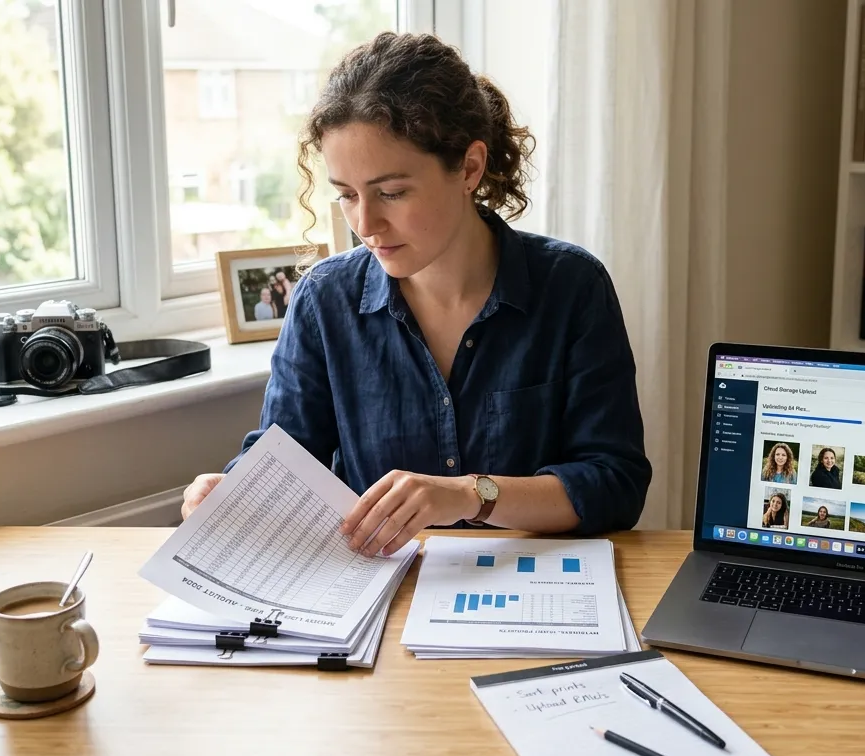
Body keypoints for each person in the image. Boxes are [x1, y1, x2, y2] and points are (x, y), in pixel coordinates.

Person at [180, 32, 651, 556]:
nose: (366, 222)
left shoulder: (571, 288)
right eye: (346, 195)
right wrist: (230, 494)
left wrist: (471, 495)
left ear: (470, 168)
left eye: (392, 193)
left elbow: (615, 485)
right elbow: (285, 466)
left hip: (531, 589)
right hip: (377, 604)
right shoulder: (323, 301)